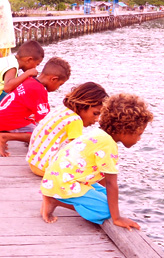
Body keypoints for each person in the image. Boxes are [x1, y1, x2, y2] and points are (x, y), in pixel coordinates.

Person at [40, 93, 153, 229]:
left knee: (107, 197)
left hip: (57, 177)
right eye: (139, 134)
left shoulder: (98, 134)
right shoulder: (107, 144)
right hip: (64, 182)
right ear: (124, 131)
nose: (139, 139)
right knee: (105, 211)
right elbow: (111, 183)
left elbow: (104, 180)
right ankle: (54, 200)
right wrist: (116, 218)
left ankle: (59, 197)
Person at [0, 57, 71, 157]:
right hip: (7, 122)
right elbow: (45, 120)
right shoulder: (39, 90)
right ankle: (4, 136)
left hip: (0, 119)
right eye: (60, 84)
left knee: (34, 124)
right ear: (53, 79)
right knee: (43, 135)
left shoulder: (29, 80)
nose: (58, 88)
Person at [26, 82, 108, 176]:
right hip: (46, 168)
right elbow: (79, 150)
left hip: (34, 162)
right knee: (95, 169)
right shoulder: (75, 120)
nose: (97, 119)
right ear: (83, 105)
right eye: (95, 113)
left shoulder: (62, 109)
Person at [0, 40, 44, 110]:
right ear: (29, 60)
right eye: (36, 64)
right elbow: (7, 87)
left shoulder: (9, 60)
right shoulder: (12, 66)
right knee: (14, 101)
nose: (35, 67)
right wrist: (27, 73)